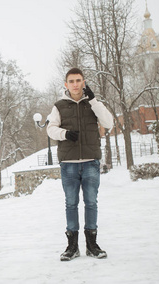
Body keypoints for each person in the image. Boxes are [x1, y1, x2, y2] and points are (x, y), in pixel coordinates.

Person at [47, 67, 113, 261]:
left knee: (91, 203)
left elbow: (108, 123)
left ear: (83, 82)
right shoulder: (59, 106)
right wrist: (65, 134)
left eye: (78, 80)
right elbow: (51, 129)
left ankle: (92, 246)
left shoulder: (92, 104)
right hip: (69, 164)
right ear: (66, 84)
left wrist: (93, 101)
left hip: (91, 162)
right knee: (71, 203)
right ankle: (72, 246)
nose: (75, 84)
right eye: (71, 81)